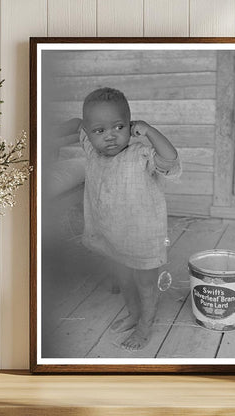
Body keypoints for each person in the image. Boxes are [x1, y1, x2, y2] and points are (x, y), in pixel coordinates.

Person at [76, 87, 181, 351]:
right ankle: (134, 314)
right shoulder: (92, 151)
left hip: (142, 236)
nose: (110, 136)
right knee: (123, 277)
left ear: (131, 125)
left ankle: (145, 325)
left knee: (145, 282)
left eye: (119, 127)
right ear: (88, 135)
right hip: (112, 236)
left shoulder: (141, 155)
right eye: (99, 131)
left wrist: (150, 131)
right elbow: (78, 124)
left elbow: (169, 159)